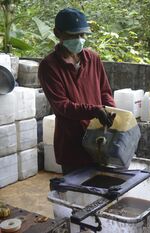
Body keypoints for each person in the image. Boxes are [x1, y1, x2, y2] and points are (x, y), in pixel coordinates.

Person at [38, 8, 115, 174]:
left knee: (103, 193)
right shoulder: (49, 66)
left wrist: (111, 110)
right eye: (73, 35)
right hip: (72, 145)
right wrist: (94, 110)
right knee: (77, 195)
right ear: (57, 33)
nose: (79, 40)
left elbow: (105, 91)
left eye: (82, 35)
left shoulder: (93, 59)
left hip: (100, 139)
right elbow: (62, 106)